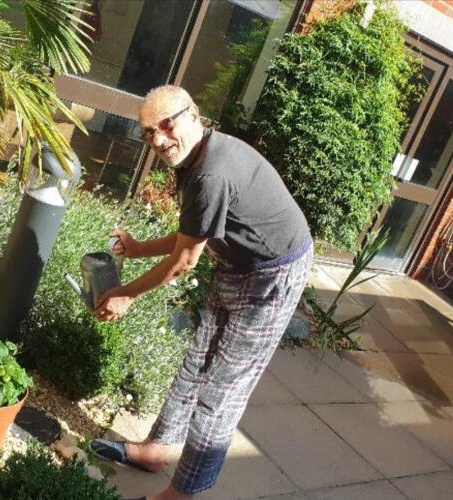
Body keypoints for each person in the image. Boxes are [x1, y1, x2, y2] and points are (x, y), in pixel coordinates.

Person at [90, 85, 312, 500]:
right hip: (236, 264)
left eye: (166, 125)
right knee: (196, 362)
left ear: (193, 114)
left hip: (271, 278)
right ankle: (156, 450)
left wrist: (126, 293)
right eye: (148, 132)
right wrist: (137, 249)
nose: (158, 139)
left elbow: (183, 262)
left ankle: (183, 493)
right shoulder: (194, 158)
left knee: (220, 393)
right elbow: (193, 234)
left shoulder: (211, 172)